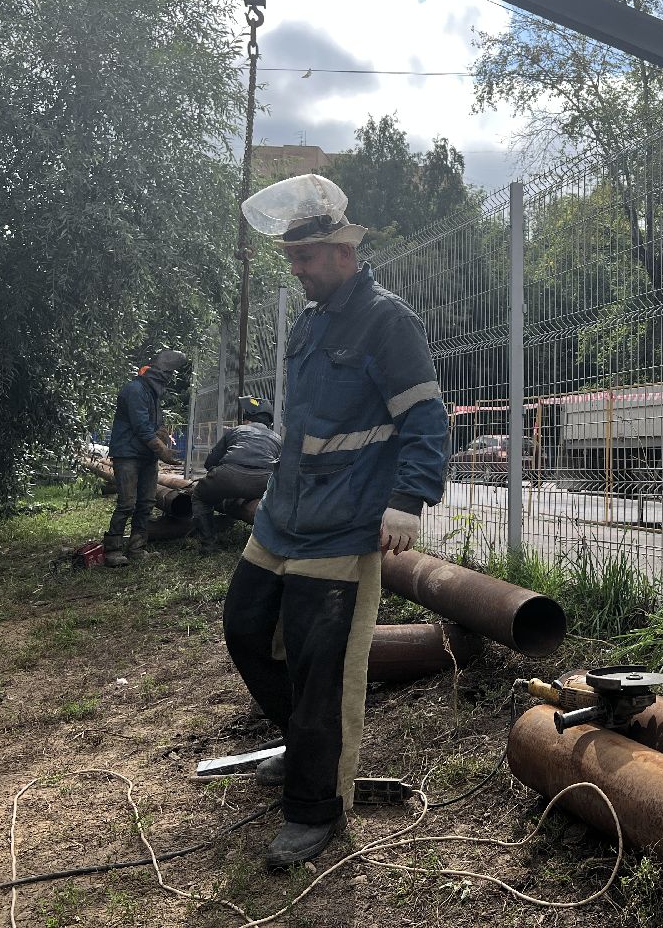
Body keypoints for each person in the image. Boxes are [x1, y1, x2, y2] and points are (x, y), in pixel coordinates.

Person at [223, 174, 448, 869]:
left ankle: (316, 809)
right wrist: (273, 490)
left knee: (324, 669)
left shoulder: (387, 320)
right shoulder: (313, 322)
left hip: (346, 526)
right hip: (285, 517)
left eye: (307, 258)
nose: (296, 269)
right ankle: (301, 746)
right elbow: (302, 431)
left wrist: (408, 500)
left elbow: (426, 418)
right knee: (245, 626)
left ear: (345, 252)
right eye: (292, 258)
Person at [103, 349, 187, 567]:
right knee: (127, 504)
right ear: (161, 371)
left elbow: (151, 427)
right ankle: (112, 551)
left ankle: (137, 548)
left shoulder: (151, 394)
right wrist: (163, 451)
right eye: (169, 373)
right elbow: (141, 427)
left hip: (146, 455)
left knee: (147, 502)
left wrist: (162, 435)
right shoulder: (135, 390)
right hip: (128, 455)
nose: (170, 378)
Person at [190, 396, 283, 546]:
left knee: (199, 496)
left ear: (247, 418)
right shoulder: (277, 438)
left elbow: (210, 463)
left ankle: (208, 542)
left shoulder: (236, 430)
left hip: (228, 476)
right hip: (264, 482)